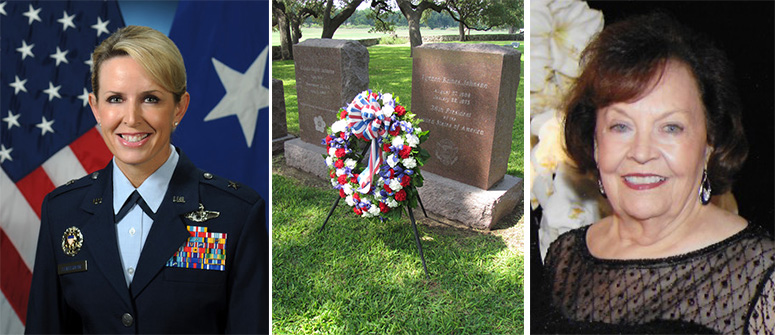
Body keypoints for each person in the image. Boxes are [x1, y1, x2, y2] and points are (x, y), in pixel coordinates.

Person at [538, 12, 775, 334]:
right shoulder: (565, 258)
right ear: (595, 143)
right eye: (621, 126)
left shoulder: (759, 272)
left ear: (708, 143)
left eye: (670, 127)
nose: (641, 152)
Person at [25, 26, 268, 333]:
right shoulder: (62, 211)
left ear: (179, 107)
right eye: (115, 99)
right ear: (95, 108)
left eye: (151, 99)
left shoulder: (237, 214)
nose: (131, 118)